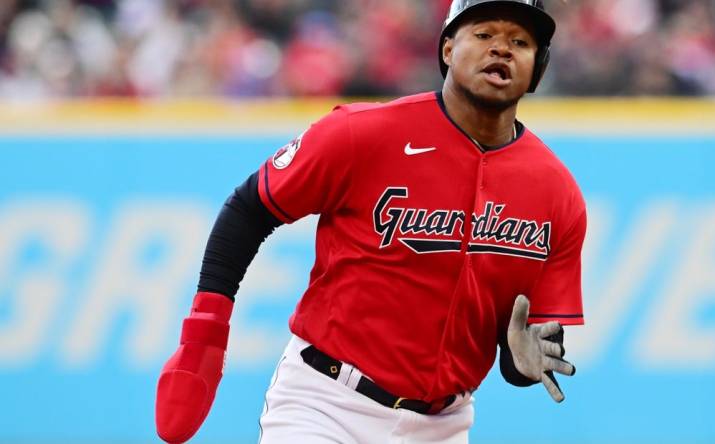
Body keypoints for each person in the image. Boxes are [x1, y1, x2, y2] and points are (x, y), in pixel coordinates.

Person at [155, 0, 586, 442]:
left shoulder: (558, 193)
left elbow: (525, 347)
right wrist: (204, 336)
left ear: (538, 67)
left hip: (444, 424)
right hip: (326, 404)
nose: (501, 50)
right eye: (484, 35)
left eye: (520, 42)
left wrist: (520, 365)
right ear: (447, 50)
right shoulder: (363, 133)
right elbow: (249, 209)